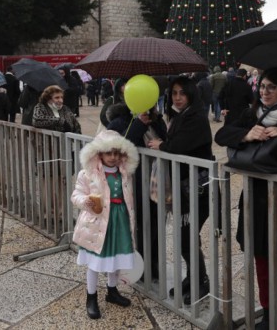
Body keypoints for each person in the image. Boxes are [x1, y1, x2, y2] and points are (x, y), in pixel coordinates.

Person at [215, 67, 277, 330]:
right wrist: (246, 135)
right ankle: (268, 309)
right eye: (262, 86)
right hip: (255, 199)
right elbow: (221, 134)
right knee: (260, 256)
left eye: (271, 87)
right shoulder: (251, 115)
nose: (264, 91)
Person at [147, 75, 214, 304]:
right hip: (185, 189)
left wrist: (162, 145)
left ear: (191, 95)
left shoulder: (195, 117)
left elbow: (179, 146)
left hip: (198, 189)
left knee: (187, 236)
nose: (177, 98)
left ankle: (201, 281)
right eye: (174, 93)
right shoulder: (179, 116)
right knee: (185, 236)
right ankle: (194, 277)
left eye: (181, 93)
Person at [71, 130, 139, 319]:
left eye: (117, 153)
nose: (113, 157)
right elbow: (75, 195)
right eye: (108, 153)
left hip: (120, 221)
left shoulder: (124, 172)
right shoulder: (88, 173)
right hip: (98, 224)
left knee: (115, 258)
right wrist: (87, 202)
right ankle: (91, 297)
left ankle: (112, 290)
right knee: (94, 262)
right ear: (99, 153)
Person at [106, 99, 167, 281]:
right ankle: (136, 265)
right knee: (137, 224)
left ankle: (152, 264)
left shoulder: (157, 119)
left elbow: (167, 140)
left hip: (157, 181)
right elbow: (119, 147)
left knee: (155, 224)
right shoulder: (119, 121)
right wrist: (139, 124)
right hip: (133, 183)